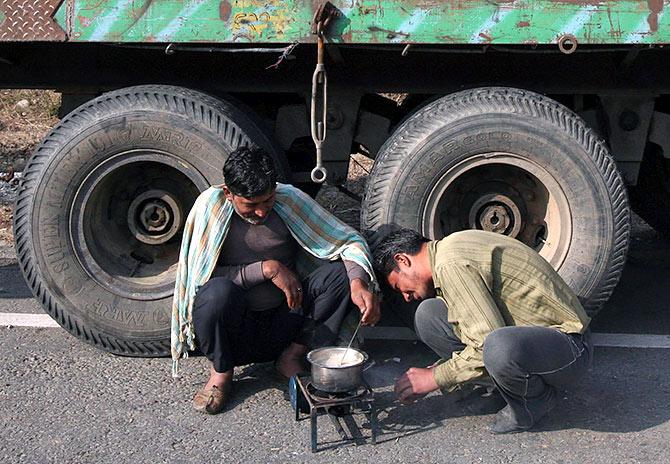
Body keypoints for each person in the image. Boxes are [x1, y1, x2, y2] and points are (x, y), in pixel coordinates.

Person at [171, 146, 380, 414]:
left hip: (286, 322)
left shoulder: (288, 199)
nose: (260, 212)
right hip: (236, 330)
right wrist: (267, 269)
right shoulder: (210, 207)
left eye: (267, 201)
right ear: (228, 193)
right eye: (250, 205)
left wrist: (357, 282)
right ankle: (221, 372)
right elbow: (199, 279)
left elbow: (347, 241)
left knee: (339, 276)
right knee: (216, 294)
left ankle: (291, 357)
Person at [372, 228, 592, 434]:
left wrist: (436, 377)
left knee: (497, 346)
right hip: (534, 342)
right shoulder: (447, 250)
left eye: (398, 287)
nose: (405, 297)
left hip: (570, 348)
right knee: (429, 314)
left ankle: (533, 402)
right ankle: (504, 389)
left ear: (403, 260)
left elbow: (485, 343)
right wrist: (445, 369)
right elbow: (473, 327)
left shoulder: (451, 264)